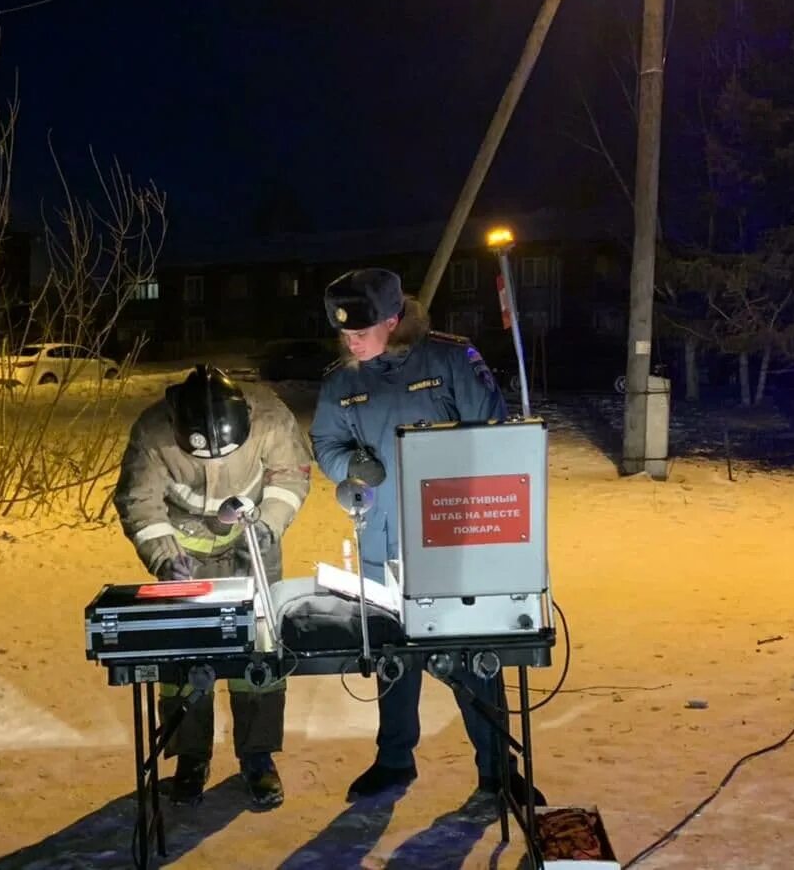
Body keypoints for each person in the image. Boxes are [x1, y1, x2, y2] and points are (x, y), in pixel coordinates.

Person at [310, 267, 543, 805]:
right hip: (382, 543)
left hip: (456, 541)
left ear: (394, 320)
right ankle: (394, 760)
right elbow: (325, 442)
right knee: (394, 656)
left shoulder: (450, 360)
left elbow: (493, 435)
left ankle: (496, 771)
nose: (352, 340)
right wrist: (352, 468)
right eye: (345, 332)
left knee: (471, 657)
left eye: (362, 330)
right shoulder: (342, 379)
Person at [115, 364, 312, 809]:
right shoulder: (153, 432)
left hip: (252, 543)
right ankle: (190, 757)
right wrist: (166, 559)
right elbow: (139, 503)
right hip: (184, 551)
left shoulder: (269, 417)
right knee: (185, 655)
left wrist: (269, 525)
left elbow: (291, 475)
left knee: (258, 652)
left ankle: (257, 756)